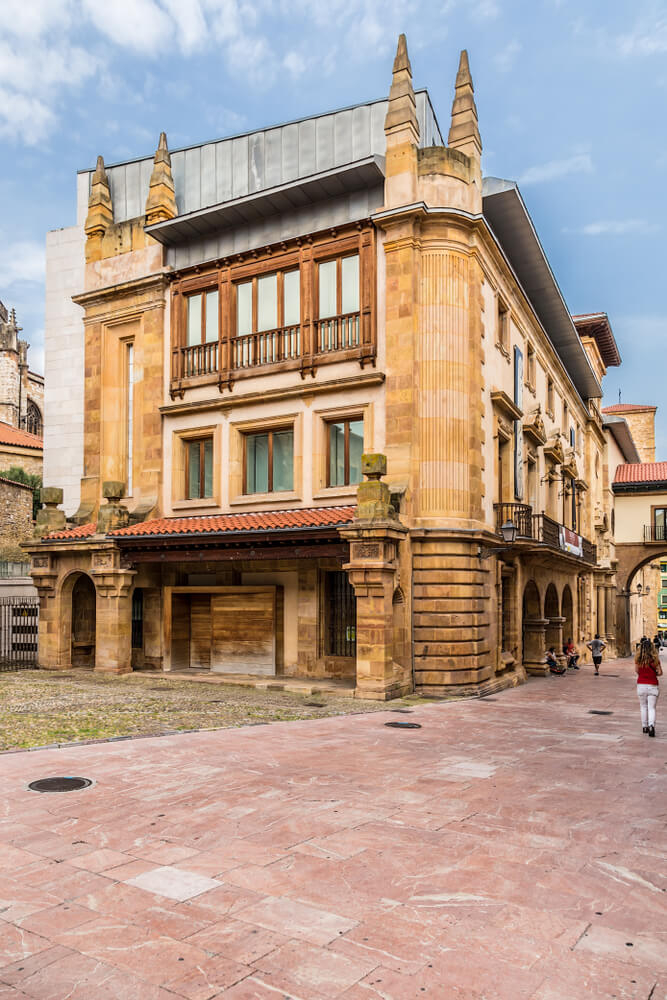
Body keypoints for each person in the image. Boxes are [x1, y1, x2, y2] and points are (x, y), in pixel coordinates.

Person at [635, 636, 662, 736]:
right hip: (653, 685)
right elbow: (660, 672)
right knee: (652, 708)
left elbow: (637, 671)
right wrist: (654, 673)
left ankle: (644, 727)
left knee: (643, 706)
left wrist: (643, 674)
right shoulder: (655, 660)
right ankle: (651, 726)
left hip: (641, 685)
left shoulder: (638, 660)